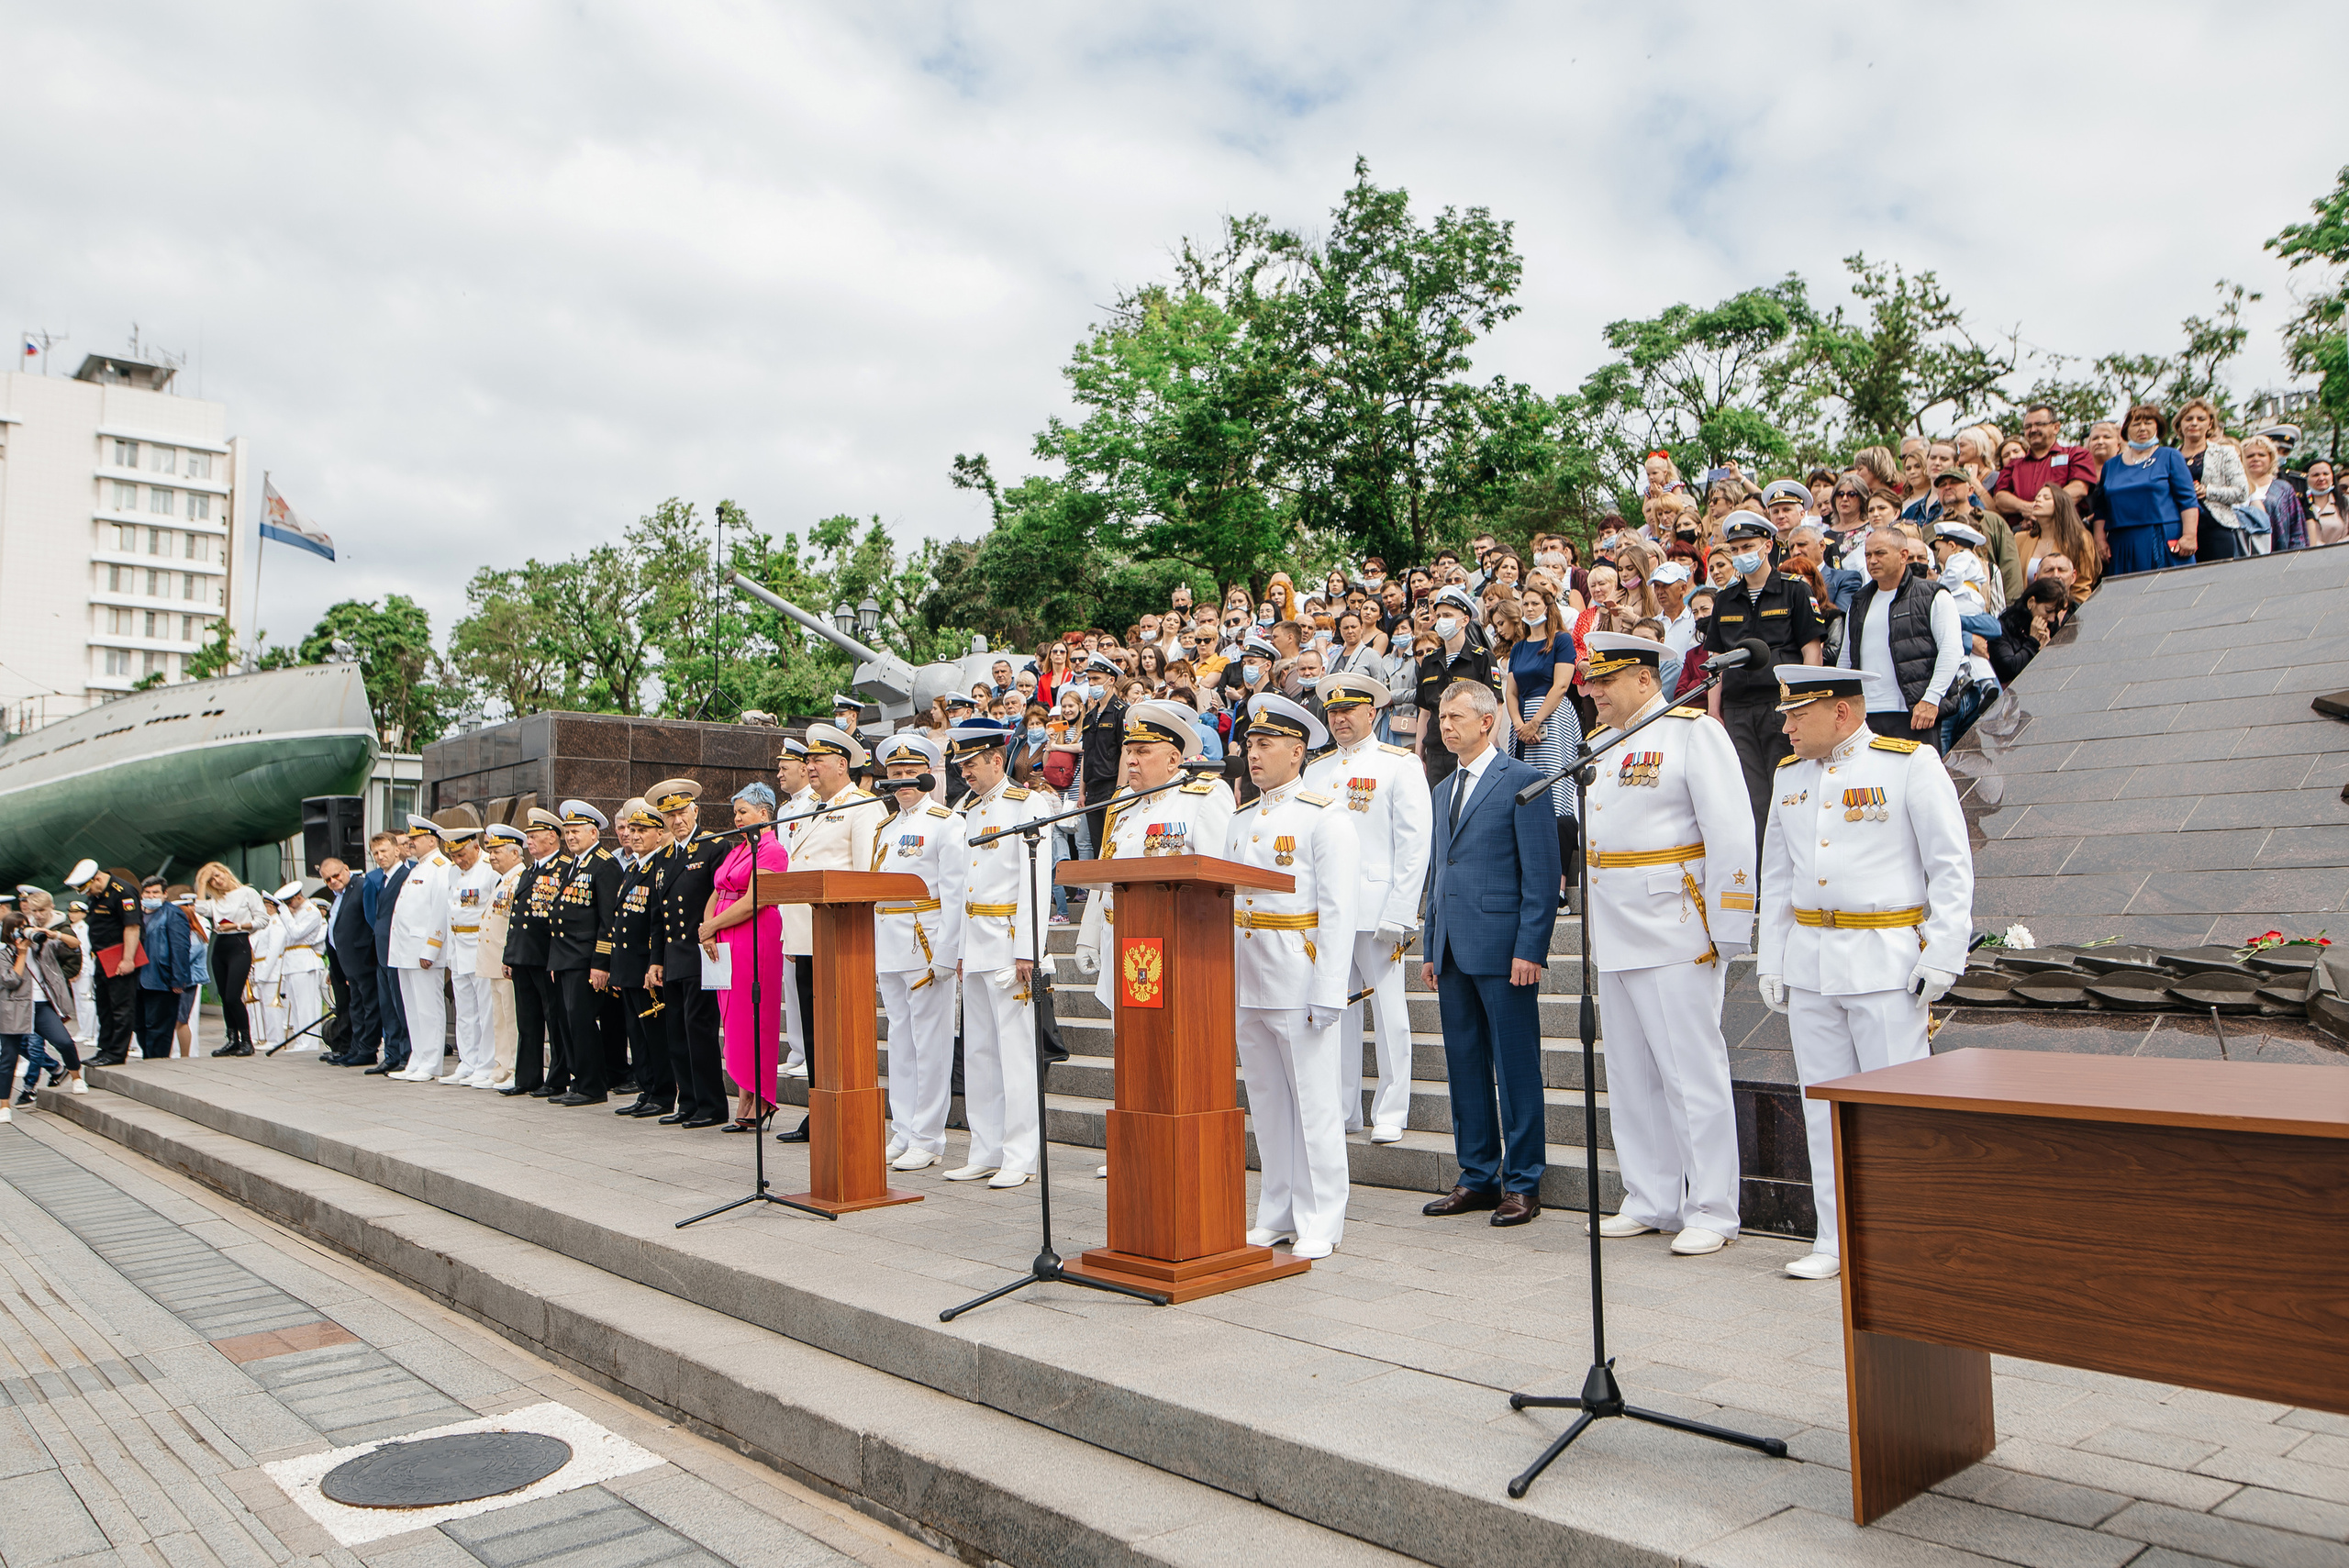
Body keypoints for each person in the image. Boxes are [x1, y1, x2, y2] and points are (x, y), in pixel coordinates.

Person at [1757, 666, 1973, 1281]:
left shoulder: (1908, 764)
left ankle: (1908, 1237)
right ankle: (1835, 1237)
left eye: (1798, 715)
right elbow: (1777, 876)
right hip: (1812, 960)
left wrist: (1942, 951)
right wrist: (1772, 957)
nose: (1788, 726)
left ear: (1842, 713)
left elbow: (1950, 865)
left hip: (1884, 959)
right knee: (1822, 1104)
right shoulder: (1790, 776)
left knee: (1894, 1109)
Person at [1567, 631, 1758, 1253]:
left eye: (1606, 679)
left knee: (1690, 1073)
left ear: (1645, 679)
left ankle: (1712, 1207)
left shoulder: (1691, 733)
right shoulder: (1599, 744)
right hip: (1617, 928)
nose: (1592, 690)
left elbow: (1730, 831)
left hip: (1676, 925)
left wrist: (1730, 925)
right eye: (1592, 679)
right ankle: (1651, 1196)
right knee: (1629, 1074)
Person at [1218, 692, 1358, 1258]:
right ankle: (1276, 1206)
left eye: (1266, 743)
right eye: (1250, 743)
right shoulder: (1242, 818)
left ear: (1298, 751)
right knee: (1269, 1103)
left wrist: (1329, 989)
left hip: (1298, 977)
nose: (1254, 753)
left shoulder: (1325, 816)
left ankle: (1323, 1215)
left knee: (1316, 1104)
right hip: (1248, 978)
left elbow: (1339, 910)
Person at [1419, 680, 1562, 1229]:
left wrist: (1532, 947)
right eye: (1441, 717)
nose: (1446, 725)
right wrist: (1433, 945)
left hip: (1505, 951)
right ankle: (1476, 1173)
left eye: (1456, 716)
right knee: (1464, 1066)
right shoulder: (1441, 790)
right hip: (1454, 948)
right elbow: (1440, 872)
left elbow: (1542, 873)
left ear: (1488, 720)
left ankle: (1522, 1181)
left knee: (1516, 1065)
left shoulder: (1524, 780)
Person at [1303, 673, 1431, 1146]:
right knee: (1337, 1009)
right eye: (1333, 712)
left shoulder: (1398, 765)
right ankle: (1343, 1106)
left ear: (1371, 713)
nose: (1339, 719)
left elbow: (1414, 843)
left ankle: (1392, 1108)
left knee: (1390, 1010)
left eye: (1349, 710)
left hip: (1377, 908)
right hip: (1326, 911)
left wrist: (1401, 910)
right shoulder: (1315, 772)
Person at [945, 717, 1054, 1186]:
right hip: (974, 942)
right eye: (961, 764)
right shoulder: (963, 810)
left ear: (996, 759)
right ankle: (984, 1147)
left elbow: (1036, 879)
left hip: (1010, 944)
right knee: (981, 1053)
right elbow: (957, 886)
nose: (965, 772)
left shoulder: (1025, 804)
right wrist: (957, 949)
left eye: (971, 763)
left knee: (1015, 1054)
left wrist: (1027, 950)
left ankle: (1020, 1153)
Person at [774, 723, 886, 1143]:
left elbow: (865, 878)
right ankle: (820, 1110)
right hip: (807, 940)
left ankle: (842, 1115)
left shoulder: (863, 807)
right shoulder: (813, 809)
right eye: (807, 760)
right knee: (816, 1033)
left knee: (836, 1034)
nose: (810, 767)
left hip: (840, 939)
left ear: (843, 764)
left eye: (818, 760)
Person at [871, 734, 966, 1171]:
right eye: (894, 775)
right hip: (889, 942)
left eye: (910, 774)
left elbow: (953, 892)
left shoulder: (946, 822)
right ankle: (903, 1129)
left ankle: (928, 1136)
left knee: (930, 1044)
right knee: (900, 1042)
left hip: (925, 941)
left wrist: (948, 952)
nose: (902, 782)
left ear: (928, 775)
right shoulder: (884, 828)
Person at [1703, 511, 1823, 848]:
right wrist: (1715, 712)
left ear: (1768, 545)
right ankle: (1761, 885)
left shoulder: (1794, 590)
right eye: (1736, 548)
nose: (1742, 554)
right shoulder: (1725, 599)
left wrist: (1806, 702)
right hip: (1739, 708)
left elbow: (1812, 650)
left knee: (1791, 791)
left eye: (1749, 546)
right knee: (1753, 799)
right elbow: (1716, 660)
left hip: (1782, 706)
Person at [701, 784, 791, 1133]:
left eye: (743, 812)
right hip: (723, 934)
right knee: (731, 1015)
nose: (737, 818)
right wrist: (708, 927)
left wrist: (711, 927)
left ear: (764, 814)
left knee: (752, 1015)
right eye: (735, 812)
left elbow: (756, 899)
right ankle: (743, 1093)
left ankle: (761, 1095)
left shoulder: (772, 850)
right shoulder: (739, 848)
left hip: (754, 935)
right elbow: (719, 889)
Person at [646, 778, 729, 1129]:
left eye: (681, 812)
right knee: (676, 1032)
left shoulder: (713, 848)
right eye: (669, 816)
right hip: (674, 956)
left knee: (700, 1031)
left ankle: (711, 1104)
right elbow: (657, 915)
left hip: (702, 953)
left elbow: (722, 897)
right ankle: (689, 1101)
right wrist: (655, 959)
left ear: (696, 810)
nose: (677, 821)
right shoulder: (665, 858)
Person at [1840, 525, 1964, 746]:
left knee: (1917, 780)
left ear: (1903, 555)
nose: (1872, 561)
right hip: (1866, 716)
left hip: (1913, 713)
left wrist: (1931, 699)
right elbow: (1846, 659)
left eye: (1880, 553)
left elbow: (1951, 650)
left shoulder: (1932, 594)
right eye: (1868, 555)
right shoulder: (1859, 601)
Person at [1497, 584, 1581, 904]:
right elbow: (1511, 692)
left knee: (1555, 794)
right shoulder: (1518, 647)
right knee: (1526, 795)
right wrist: (1520, 724)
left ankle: (1557, 886)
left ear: (1548, 605)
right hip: (1523, 723)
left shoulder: (1560, 640)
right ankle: (1529, 882)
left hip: (1554, 717)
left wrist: (1537, 722)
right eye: (1525, 603)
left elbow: (1561, 685)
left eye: (1535, 603)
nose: (1529, 608)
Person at [543, 801, 620, 1105]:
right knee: (567, 1022)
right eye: (567, 832)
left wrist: (601, 963)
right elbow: (560, 914)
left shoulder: (604, 865)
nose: (570, 837)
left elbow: (607, 919)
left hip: (586, 958)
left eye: (576, 831)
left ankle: (592, 1086)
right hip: (565, 957)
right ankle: (579, 1081)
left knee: (582, 1021)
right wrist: (554, 959)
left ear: (593, 832)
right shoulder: (575, 863)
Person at [498, 810, 567, 1095]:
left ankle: (557, 1079)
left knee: (555, 1019)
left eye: (533, 836)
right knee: (527, 1021)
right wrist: (509, 956)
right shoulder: (532, 870)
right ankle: (527, 1078)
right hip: (524, 956)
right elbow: (518, 917)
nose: (528, 842)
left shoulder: (563, 868)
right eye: (528, 837)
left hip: (545, 956)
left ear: (552, 836)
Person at [385, 817, 454, 1082]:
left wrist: (432, 948)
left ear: (431, 840)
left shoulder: (440, 867)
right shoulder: (418, 867)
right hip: (405, 950)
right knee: (412, 1009)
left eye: (415, 839)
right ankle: (418, 1058)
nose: (411, 843)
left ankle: (431, 1062)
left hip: (423, 951)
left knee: (428, 1008)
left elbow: (439, 911)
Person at [435, 827, 501, 1084]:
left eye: (462, 854)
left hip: (480, 945)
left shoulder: (489, 869)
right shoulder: (453, 871)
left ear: (476, 848)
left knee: (485, 1009)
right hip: (458, 944)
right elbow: (452, 910)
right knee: (464, 1010)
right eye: (453, 855)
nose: (458, 860)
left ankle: (486, 1063)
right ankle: (468, 1061)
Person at [2101, 405, 2201, 574]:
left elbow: (2188, 500)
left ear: (2157, 426)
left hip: (2161, 537)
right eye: (2135, 424)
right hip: (2121, 542)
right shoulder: (2111, 465)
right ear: (2126, 430)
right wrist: (2100, 540)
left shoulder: (2170, 456)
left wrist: (2190, 536)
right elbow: (2101, 508)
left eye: (2148, 423)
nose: (2142, 428)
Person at [1414, 586, 1493, 794]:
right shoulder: (1430, 661)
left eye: (1448, 615)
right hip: (1436, 751)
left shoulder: (1481, 658)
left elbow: (1496, 708)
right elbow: (1424, 712)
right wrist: (1418, 755)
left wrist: (1488, 750)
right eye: (1438, 616)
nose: (1442, 620)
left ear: (1465, 620)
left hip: (1471, 749)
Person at [63, 860, 142, 1066]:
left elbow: (132, 927)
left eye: (89, 889)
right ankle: (105, 1048)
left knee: (121, 1007)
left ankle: (116, 1053)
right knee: (104, 1006)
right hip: (102, 957)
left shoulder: (123, 892)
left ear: (97, 878)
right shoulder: (98, 894)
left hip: (119, 956)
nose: (88, 894)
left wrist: (127, 959)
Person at [193, 863, 264, 1057]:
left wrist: (237, 925)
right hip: (220, 945)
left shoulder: (247, 893)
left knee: (234, 996)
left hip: (239, 942)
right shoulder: (215, 899)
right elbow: (199, 909)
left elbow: (262, 920)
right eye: (212, 880)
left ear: (225, 872)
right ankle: (232, 1039)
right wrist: (201, 882)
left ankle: (247, 1041)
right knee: (225, 997)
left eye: (217, 875)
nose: (217, 880)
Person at [477, 825, 526, 1090]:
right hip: (494, 959)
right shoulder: (503, 879)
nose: (491, 856)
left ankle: (515, 1066)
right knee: (500, 1015)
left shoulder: (519, 878)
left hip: (507, 959)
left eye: (497, 851)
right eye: (490, 851)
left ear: (515, 853)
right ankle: (502, 1065)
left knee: (512, 1016)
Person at [2176, 398, 2249, 564]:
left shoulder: (2225, 453)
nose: (2194, 423)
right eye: (2188, 419)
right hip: (2178, 528)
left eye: (2201, 419)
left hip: (2216, 527)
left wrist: (2207, 491)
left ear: (2210, 425)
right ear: (2180, 424)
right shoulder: (2169, 456)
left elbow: (2242, 492)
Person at [133, 875, 195, 1060]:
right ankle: (148, 1057)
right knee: (140, 1025)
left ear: (164, 894)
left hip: (162, 979)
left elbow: (180, 948)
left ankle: (157, 1062)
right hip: (137, 980)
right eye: (147, 892)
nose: (151, 896)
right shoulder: (136, 914)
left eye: (155, 893)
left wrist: (178, 978)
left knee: (159, 1027)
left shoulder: (173, 914)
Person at [271, 880, 325, 1053]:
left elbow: (296, 933)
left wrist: (285, 913)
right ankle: (301, 1040)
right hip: (292, 961)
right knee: (295, 1005)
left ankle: (309, 1042)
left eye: (289, 902)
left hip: (304, 961)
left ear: (298, 897)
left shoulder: (311, 912)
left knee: (306, 1005)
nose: (288, 906)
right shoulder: (296, 913)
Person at [2238, 434, 2307, 555]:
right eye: (2250, 456)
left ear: (2271, 458)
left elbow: (2297, 529)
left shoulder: (2283, 489)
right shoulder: (2235, 488)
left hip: (2279, 556)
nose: (2255, 458)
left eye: (2261, 455)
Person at [2307, 461, 2344, 547]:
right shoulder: (2298, 504)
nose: (2321, 478)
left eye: (2326, 474)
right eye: (2315, 475)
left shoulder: (2345, 503)